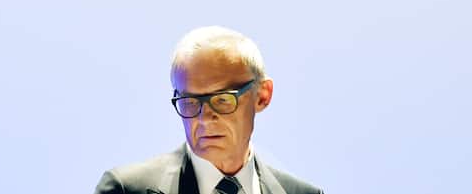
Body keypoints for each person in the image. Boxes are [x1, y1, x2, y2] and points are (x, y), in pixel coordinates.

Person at [93, 26, 323, 194]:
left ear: (262, 95)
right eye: (190, 101)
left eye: (222, 99)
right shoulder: (125, 189)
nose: (204, 119)